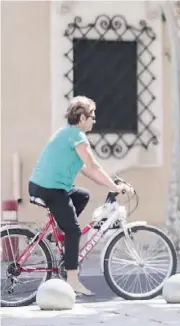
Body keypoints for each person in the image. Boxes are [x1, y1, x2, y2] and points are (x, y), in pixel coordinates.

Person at [28, 96, 131, 296]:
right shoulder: (77, 136)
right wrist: (114, 187)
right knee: (74, 231)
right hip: (51, 188)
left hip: (44, 186)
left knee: (82, 195)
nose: (94, 120)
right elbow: (93, 167)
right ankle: (73, 280)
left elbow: (86, 170)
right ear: (82, 117)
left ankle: (59, 232)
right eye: (92, 116)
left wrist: (108, 183)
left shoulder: (67, 133)